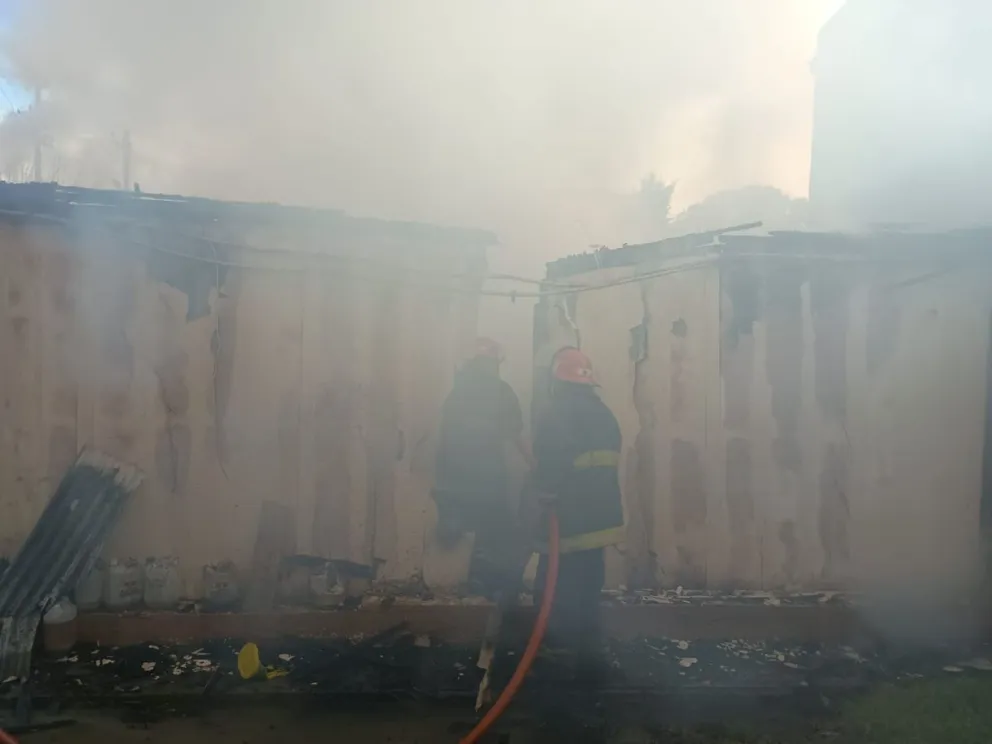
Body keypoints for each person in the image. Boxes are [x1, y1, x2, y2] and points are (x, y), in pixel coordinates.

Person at [532, 346, 624, 681]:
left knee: (557, 582)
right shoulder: (605, 414)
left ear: (557, 381)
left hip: (568, 518)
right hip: (600, 519)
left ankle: (558, 653)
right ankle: (590, 650)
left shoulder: (556, 412)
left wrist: (543, 494)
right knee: (588, 583)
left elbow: (551, 461)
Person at [434, 337, 533, 596]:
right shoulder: (502, 391)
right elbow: (516, 435)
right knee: (499, 527)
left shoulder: (457, 392)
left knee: (464, 525)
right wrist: (536, 464)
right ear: (494, 364)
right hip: (488, 474)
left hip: (455, 476)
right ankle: (487, 581)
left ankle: (463, 581)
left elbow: (443, 437)